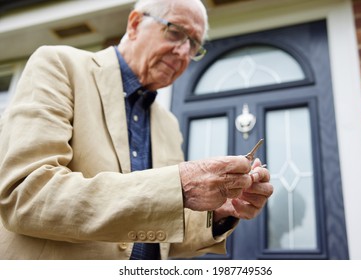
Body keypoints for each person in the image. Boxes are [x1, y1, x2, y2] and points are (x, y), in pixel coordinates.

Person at [0, 0, 273, 260]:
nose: (183, 52)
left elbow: (159, 235)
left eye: (194, 45)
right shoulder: (59, 65)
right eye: (175, 32)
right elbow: (25, 194)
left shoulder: (168, 124)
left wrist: (218, 212)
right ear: (133, 24)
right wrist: (181, 186)